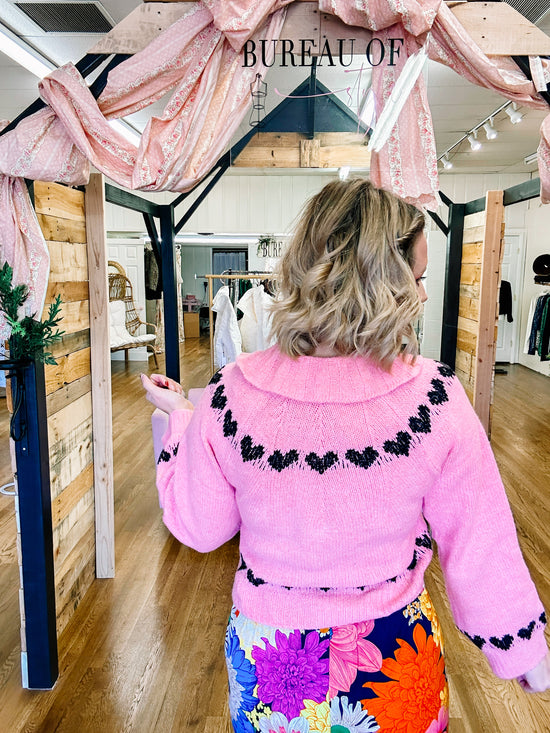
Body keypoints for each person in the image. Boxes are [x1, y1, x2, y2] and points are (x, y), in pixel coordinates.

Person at [142, 178, 550, 733]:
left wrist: (178, 425)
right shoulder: (434, 397)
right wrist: (522, 648)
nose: (424, 295)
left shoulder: (229, 394)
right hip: (394, 659)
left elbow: (200, 526)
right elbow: (479, 536)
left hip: (270, 662)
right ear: (382, 283)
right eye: (418, 278)